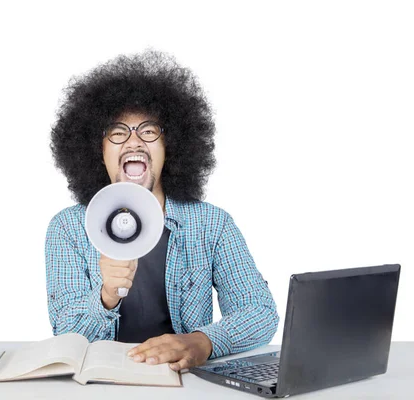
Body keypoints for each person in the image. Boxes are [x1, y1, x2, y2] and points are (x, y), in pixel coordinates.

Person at [46, 50, 278, 371]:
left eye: (149, 130)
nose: (134, 141)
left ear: (171, 146)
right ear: (96, 151)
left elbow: (259, 312)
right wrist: (106, 295)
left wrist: (202, 342)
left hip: (185, 381)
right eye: (117, 132)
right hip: (101, 384)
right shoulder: (68, 227)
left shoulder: (212, 224)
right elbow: (66, 332)